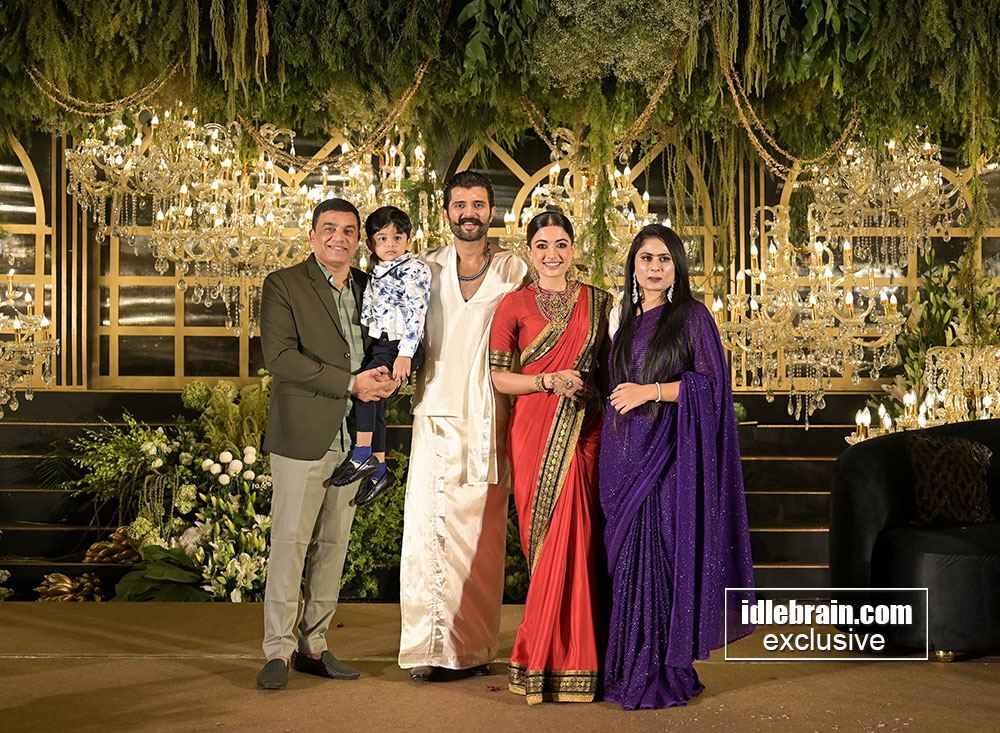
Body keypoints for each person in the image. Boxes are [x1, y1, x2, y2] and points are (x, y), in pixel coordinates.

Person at [599, 223, 755, 710]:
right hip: (621, 459)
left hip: (666, 460)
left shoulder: (691, 316)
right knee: (627, 567)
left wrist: (650, 391)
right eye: (646, 258)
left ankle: (660, 673)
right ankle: (625, 669)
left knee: (661, 562)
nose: (654, 267)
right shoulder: (625, 320)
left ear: (677, 268)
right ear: (633, 266)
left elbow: (711, 386)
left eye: (664, 259)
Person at [256, 198, 397, 691]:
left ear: (359, 240)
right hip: (303, 436)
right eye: (330, 228)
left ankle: (313, 646)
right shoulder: (284, 284)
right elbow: (279, 357)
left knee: (333, 547)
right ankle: (278, 650)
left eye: (349, 230)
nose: (340, 237)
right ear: (313, 234)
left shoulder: (370, 285)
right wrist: (350, 383)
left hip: (357, 441)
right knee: (289, 546)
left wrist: (387, 376)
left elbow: (387, 344)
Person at [398, 170, 528, 681]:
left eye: (478, 204)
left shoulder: (517, 268)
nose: (468, 213)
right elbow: (395, 329)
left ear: (492, 212)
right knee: (427, 535)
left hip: (491, 417)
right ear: (447, 211)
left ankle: (470, 651)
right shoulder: (423, 267)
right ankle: (428, 650)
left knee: (480, 537)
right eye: (460, 204)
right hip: (433, 412)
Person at [488, 211, 610, 704]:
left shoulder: (599, 301)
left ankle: (580, 657)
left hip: (585, 429)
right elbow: (500, 378)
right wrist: (546, 380)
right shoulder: (513, 304)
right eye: (542, 245)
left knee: (581, 538)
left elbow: (610, 368)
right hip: (535, 427)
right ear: (529, 251)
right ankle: (542, 655)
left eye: (561, 244)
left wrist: (589, 395)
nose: (552, 254)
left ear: (573, 249)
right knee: (545, 541)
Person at [327, 205, 431, 506]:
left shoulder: (415, 269)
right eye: (382, 239)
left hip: (400, 346)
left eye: (397, 238)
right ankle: (380, 469)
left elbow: (417, 314)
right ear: (372, 243)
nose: (390, 245)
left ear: (409, 240)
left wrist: (405, 354)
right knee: (378, 402)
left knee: (366, 392)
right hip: (381, 343)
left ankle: (362, 455)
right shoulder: (376, 269)